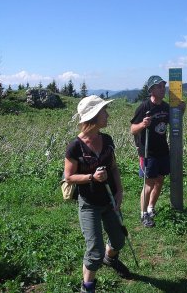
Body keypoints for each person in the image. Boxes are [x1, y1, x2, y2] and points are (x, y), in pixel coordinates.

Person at [64, 95, 131, 293]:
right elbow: (69, 177)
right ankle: (88, 287)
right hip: (89, 204)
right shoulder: (75, 147)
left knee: (119, 240)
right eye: (104, 112)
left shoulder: (107, 139)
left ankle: (110, 259)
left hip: (109, 200)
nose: (107, 115)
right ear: (93, 117)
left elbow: (114, 167)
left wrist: (119, 191)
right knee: (94, 252)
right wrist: (92, 177)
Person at [130, 75, 185, 227]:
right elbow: (132, 129)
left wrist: (181, 111)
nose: (163, 89)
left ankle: (151, 208)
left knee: (160, 180)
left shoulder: (166, 107)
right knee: (149, 183)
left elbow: (175, 121)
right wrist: (142, 124)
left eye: (163, 86)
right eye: (159, 87)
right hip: (148, 152)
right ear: (151, 90)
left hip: (162, 150)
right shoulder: (144, 107)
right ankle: (143, 215)